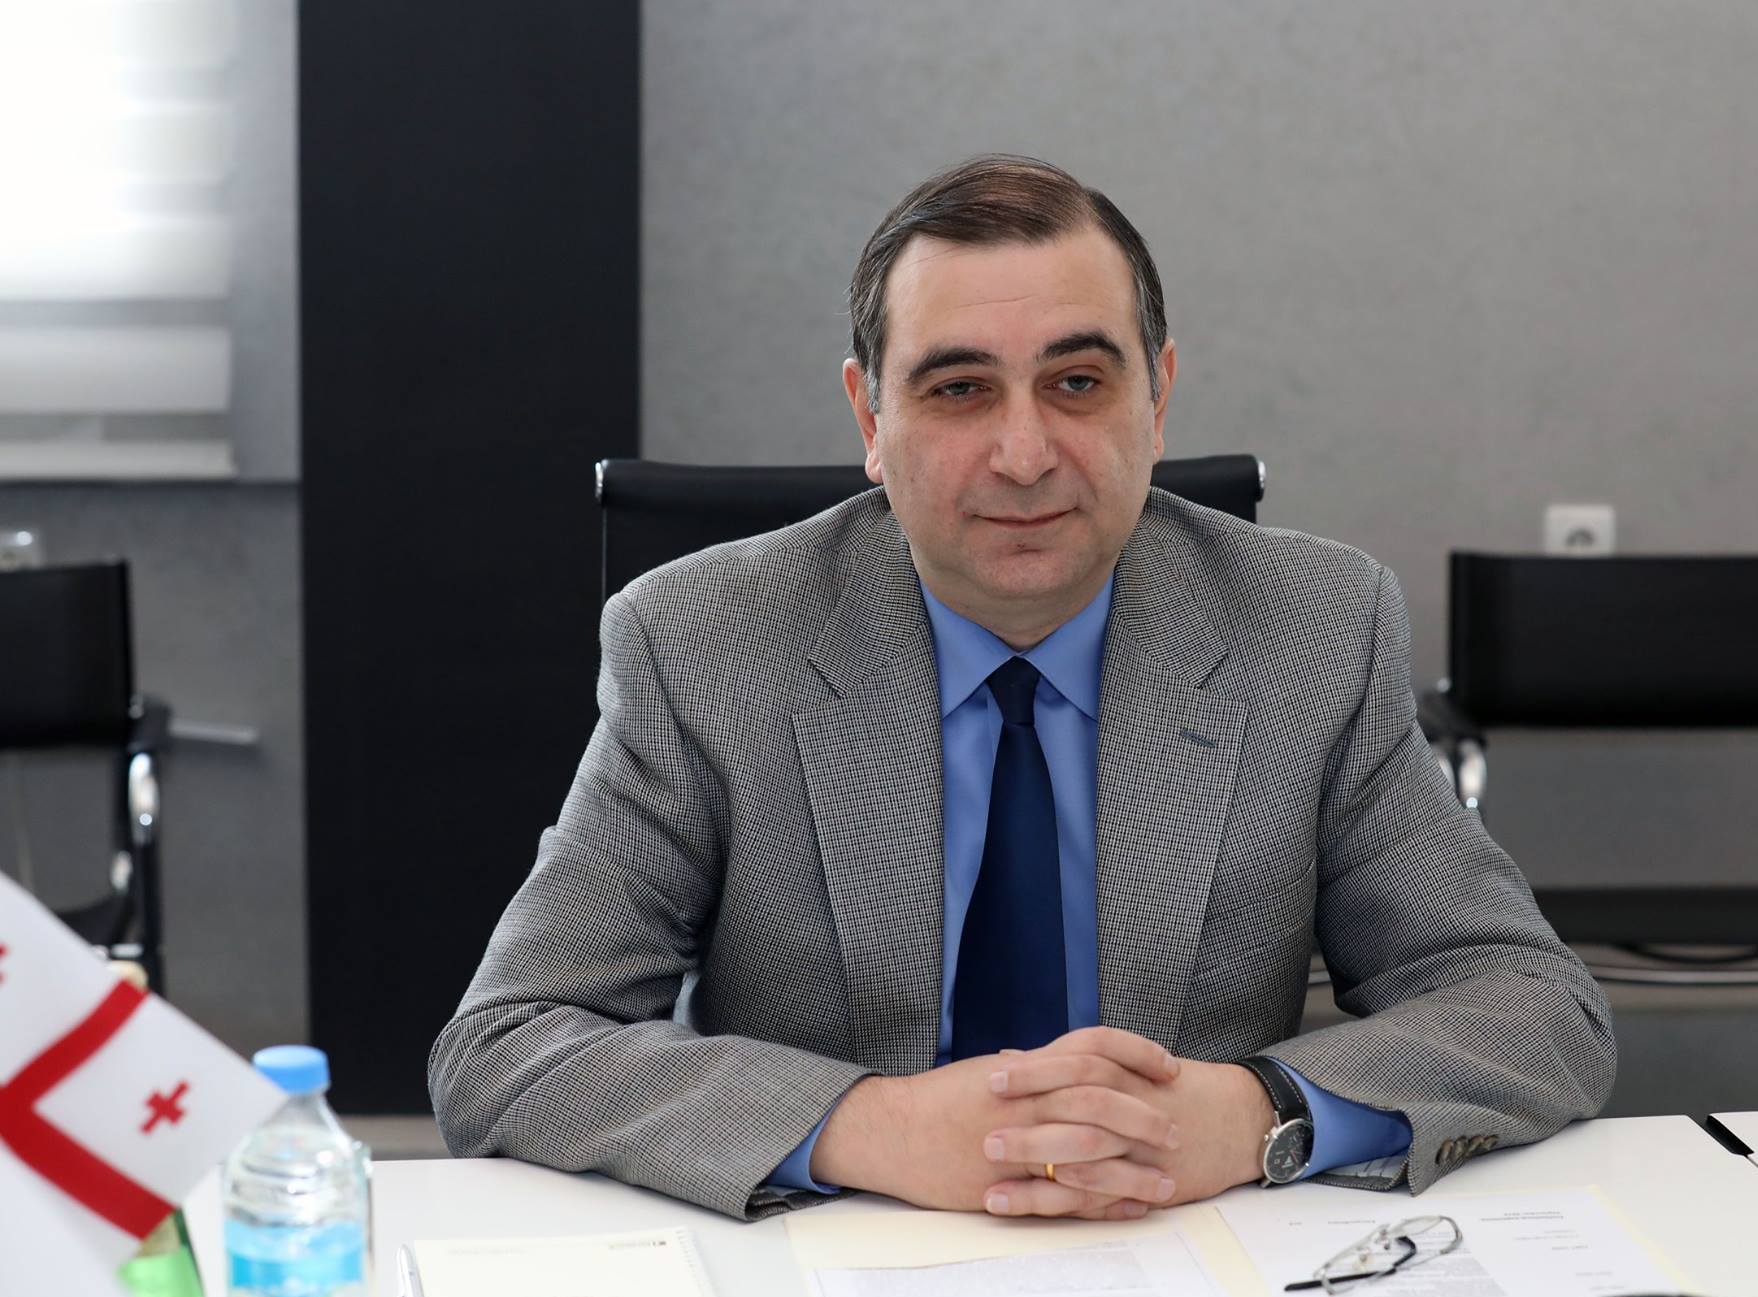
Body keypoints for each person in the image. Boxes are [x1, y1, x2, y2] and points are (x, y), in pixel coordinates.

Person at [429, 155, 1615, 1223]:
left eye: (1076, 382)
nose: (1024, 455)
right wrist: (874, 1127)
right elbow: (509, 1044)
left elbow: (1528, 1004)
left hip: (1197, 1254)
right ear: (870, 417)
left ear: (1157, 398)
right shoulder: (700, 643)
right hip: (838, 1262)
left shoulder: (1312, 629)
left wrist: (1251, 1113)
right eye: (957, 390)